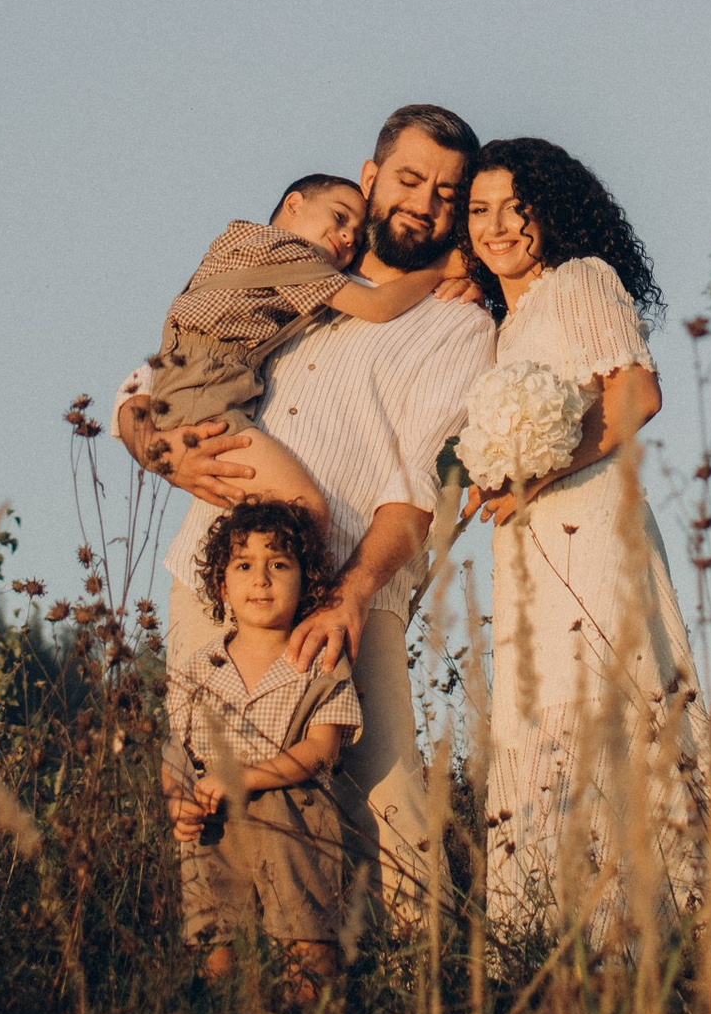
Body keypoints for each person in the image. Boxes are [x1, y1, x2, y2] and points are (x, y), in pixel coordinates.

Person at [114, 102, 494, 933]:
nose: (424, 203)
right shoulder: (305, 274)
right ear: (371, 177)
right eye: (409, 179)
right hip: (210, 575)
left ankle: (418, 987)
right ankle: (224, 984)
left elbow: (417, 494)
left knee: (386, 807)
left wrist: (349, 597)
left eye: (446, 193)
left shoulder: (459, 326)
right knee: (201, 788)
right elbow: (164, 371)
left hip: (349, 595)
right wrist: (150, 440)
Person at [462, 136, 707, 931]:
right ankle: (552, 930)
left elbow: (636, 393)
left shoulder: (581, 280)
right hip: (529, 547)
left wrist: (537, 472)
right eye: (480, 211)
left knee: (596, 704)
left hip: (591, 522)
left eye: (517, 207)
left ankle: (628, 932)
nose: (499, 226)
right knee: (540, 720)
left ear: (553, 211)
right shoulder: (506, 324)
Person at [164, 500, 358, 988]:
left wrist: (245, 777)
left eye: (279, 564)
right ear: (221, 585)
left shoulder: (320, 661)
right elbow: (175, 752)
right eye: (244, 565)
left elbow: (322, 749)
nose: (262, 579)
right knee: (213, 944)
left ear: (307, 580)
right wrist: (176, 800)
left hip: (294, 818)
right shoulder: (197, 667)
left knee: (307, 942)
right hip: (214, 825)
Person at [127, 168, 447, 454]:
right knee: (299, 497)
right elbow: (377, 306)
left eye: (359, 238)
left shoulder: (249, 255)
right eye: (339, 217)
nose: (349, 236)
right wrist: (442, 269)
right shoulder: (286, 251)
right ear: (294, 204)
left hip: (190, 386)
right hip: (207, 392)